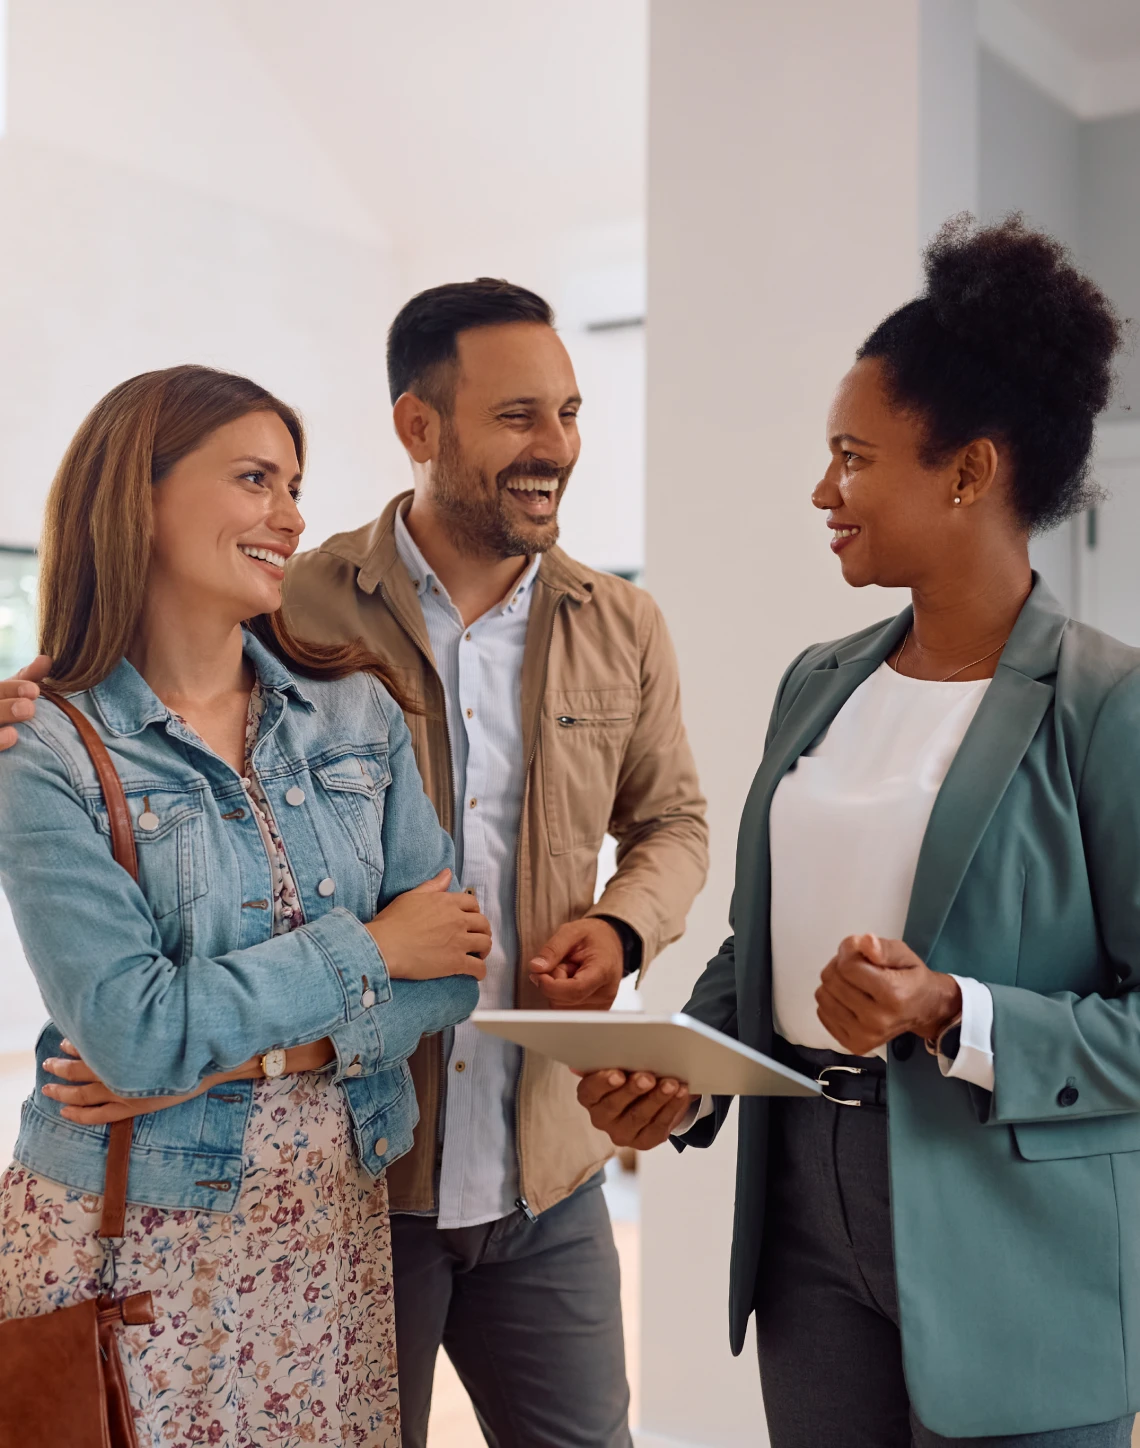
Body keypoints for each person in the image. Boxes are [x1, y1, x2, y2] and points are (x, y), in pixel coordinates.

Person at [2, 281, 710, 1446]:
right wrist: (353, 969)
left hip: (528, 1163)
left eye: (572, 413)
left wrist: (626, 928)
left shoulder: (602, 630)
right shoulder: (307, 604)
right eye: (520, 413)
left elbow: (649, 835)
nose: (559, 447)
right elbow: (137, 1020)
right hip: (366, 1179)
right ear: (420, 428)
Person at [577, 217, 1140, 1446]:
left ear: (969, 473)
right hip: (802, 1215)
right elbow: (758, 944)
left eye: (853, 456)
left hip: (1013, 1239)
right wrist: (685, 1071)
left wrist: (952, 1010)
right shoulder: (818, 679)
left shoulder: (1110, 705)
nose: (823, 491)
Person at [0, 365, 490, 1447]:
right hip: (127, 1242)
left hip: (324, 1231)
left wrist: (233, 1057)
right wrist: (370, 950)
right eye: (255, 478)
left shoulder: (356, 712)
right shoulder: (43, 746)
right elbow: (133, 1033)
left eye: (296, 482)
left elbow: (451, 969)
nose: (294, 514)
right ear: (141, 497)